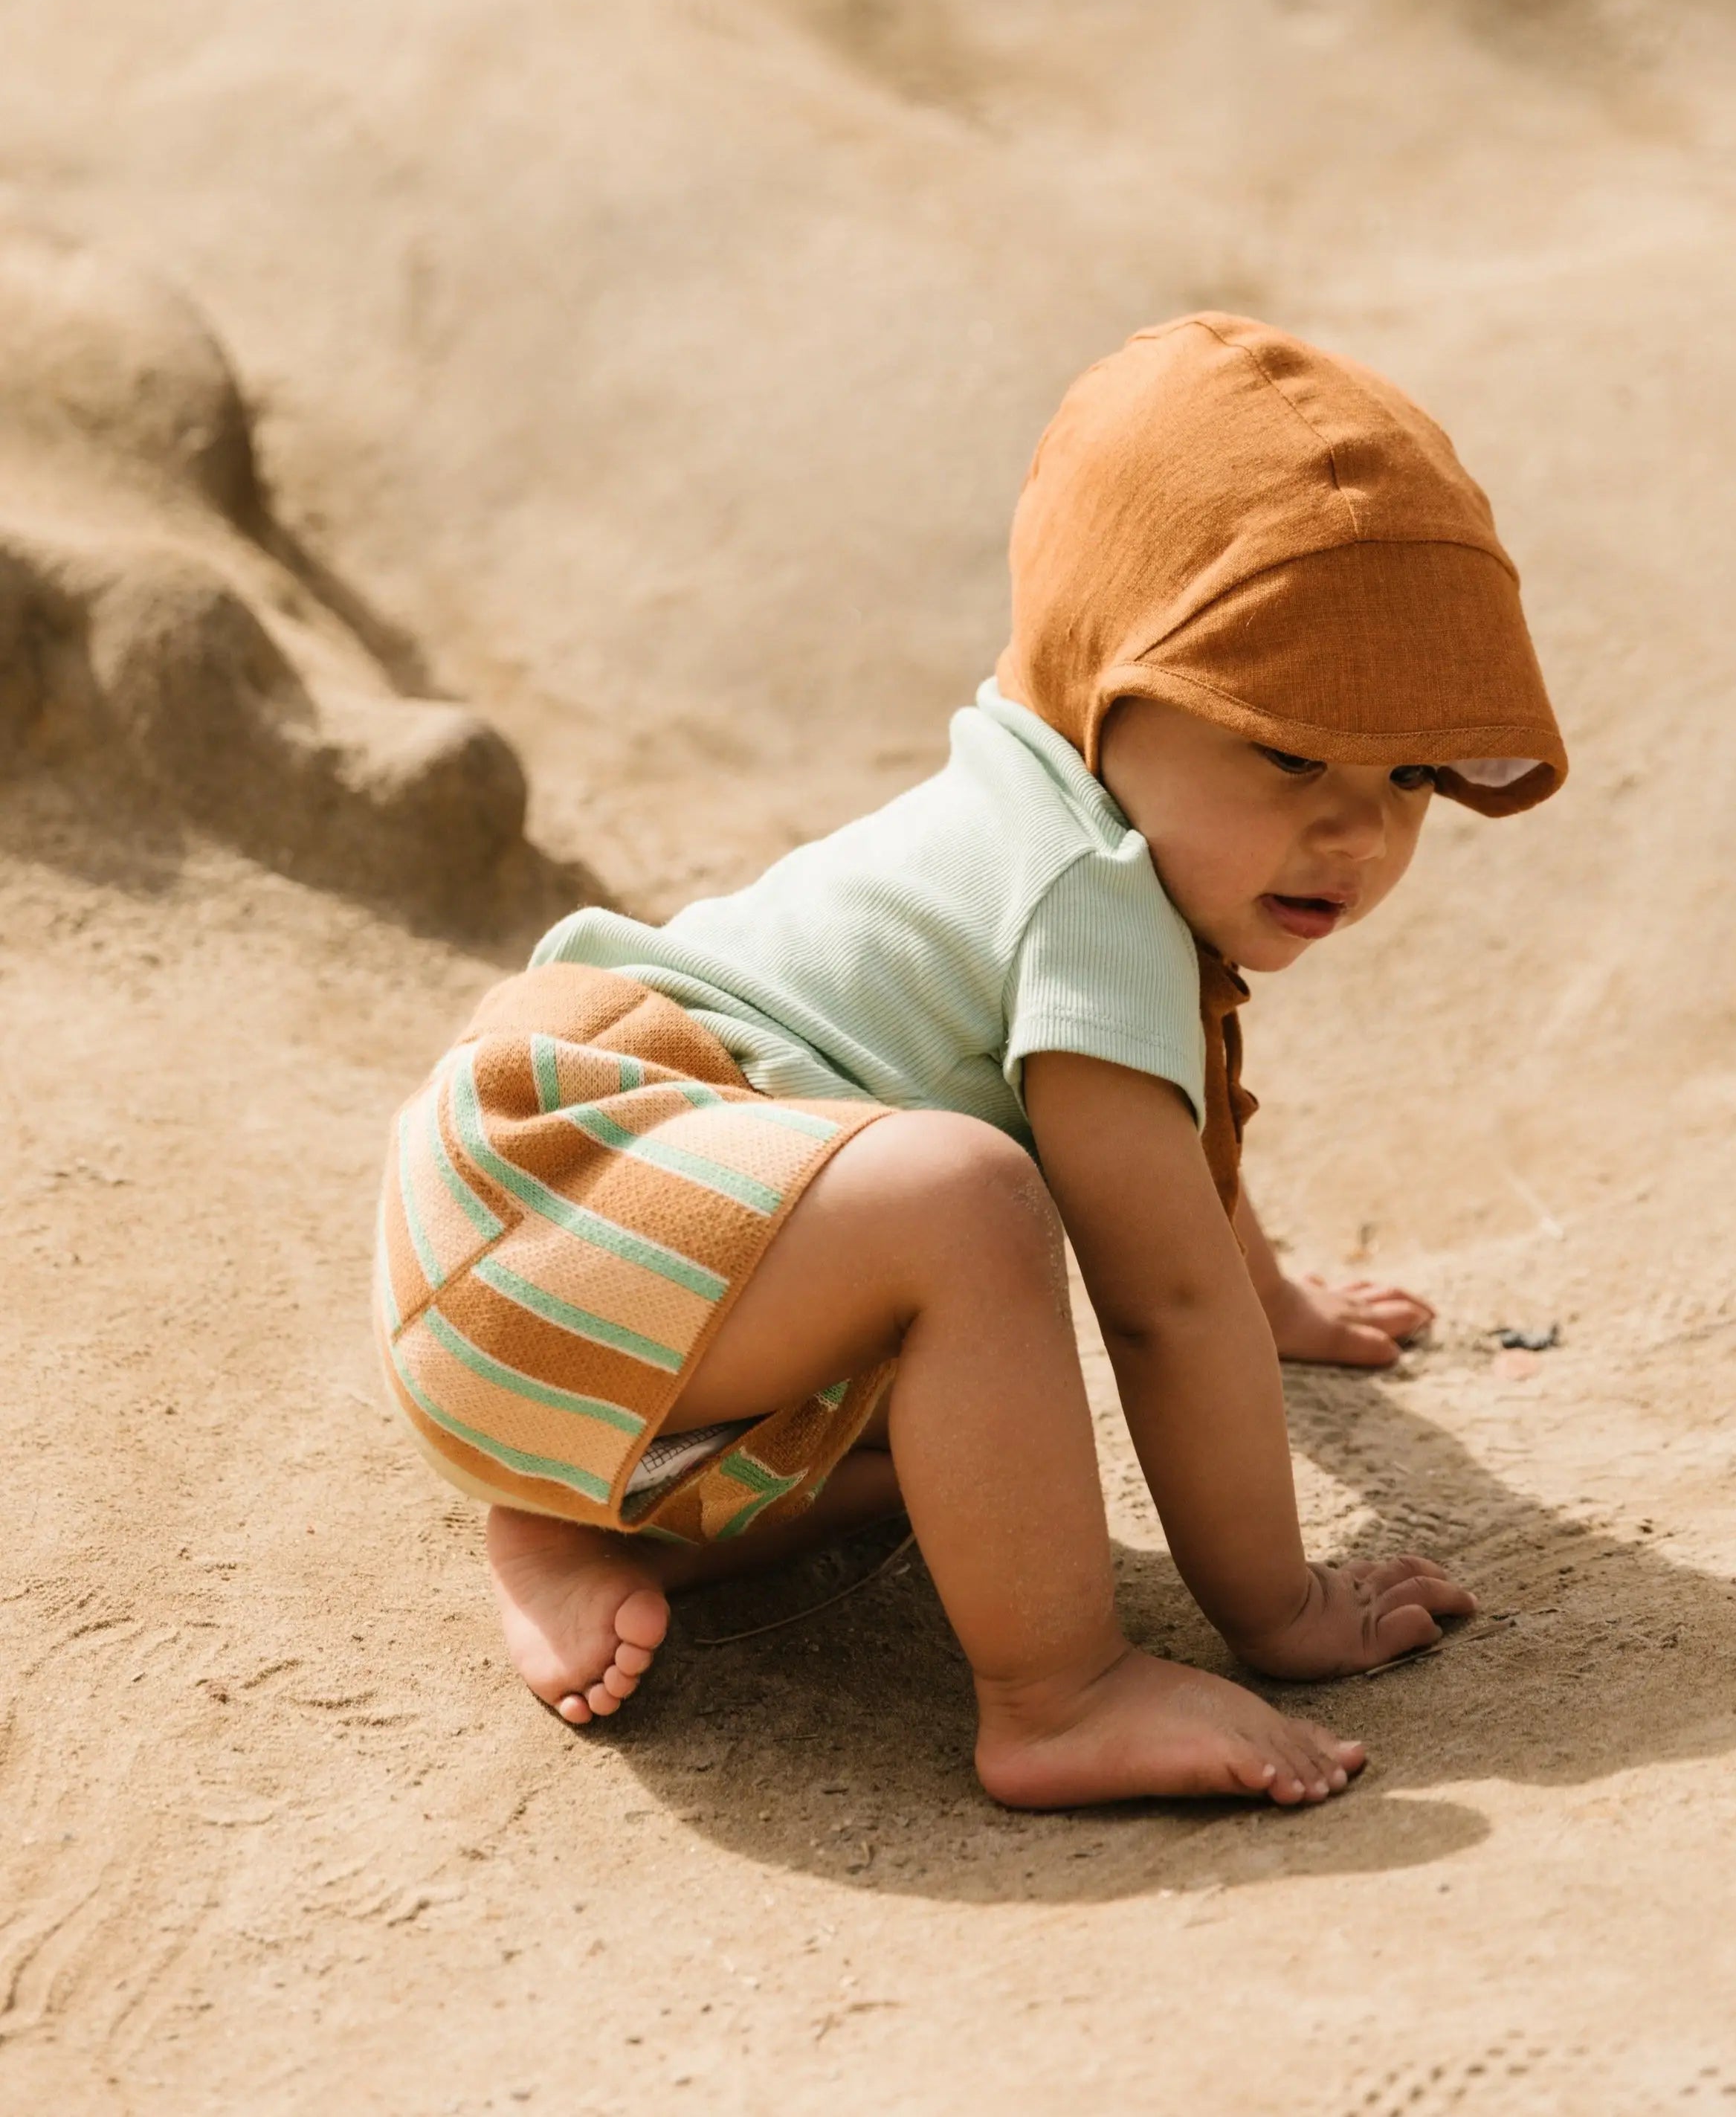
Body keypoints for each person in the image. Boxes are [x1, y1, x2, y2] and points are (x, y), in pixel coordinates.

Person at [372, 312, 1567, 1808]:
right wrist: (1283, 1609)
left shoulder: (1068, 809)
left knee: (977, 1456)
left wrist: (1276, 1305)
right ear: (1110, 683)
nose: (1359, 832)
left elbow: (1179, 1194)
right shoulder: (1089, 886)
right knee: (968, 1201)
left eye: (1407, 777)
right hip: (565, 1193)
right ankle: (1059, 1698)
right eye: (1285, 749)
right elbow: (1162, 1299)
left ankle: (581, 1521)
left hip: (595, 1287)